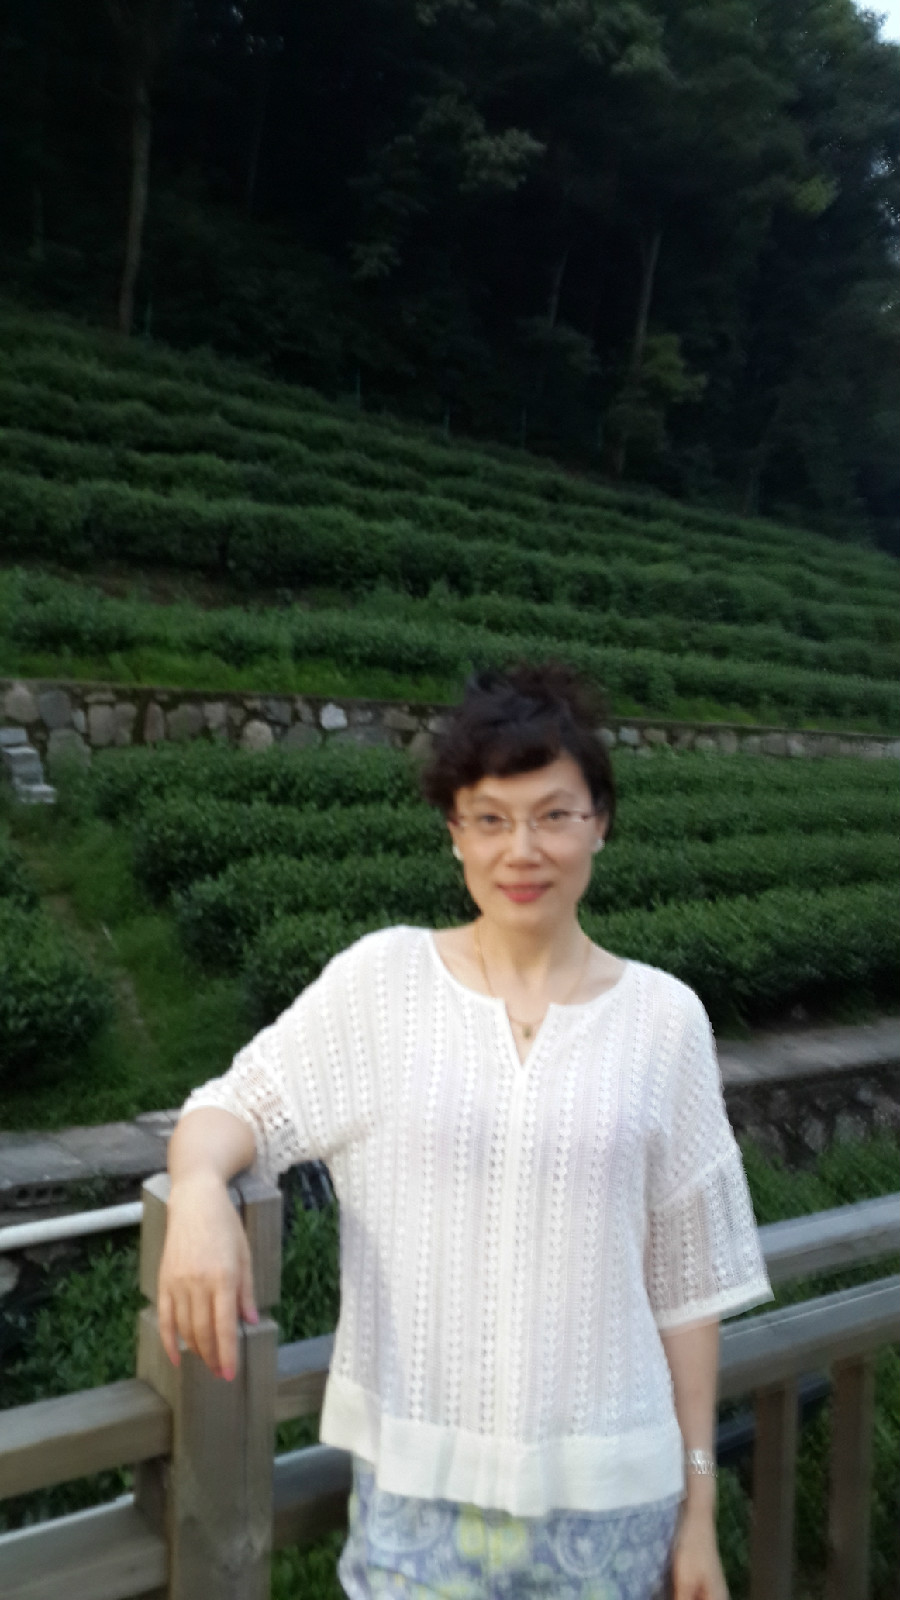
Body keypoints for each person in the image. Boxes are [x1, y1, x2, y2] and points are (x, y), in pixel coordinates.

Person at [158, 661, 774, 1600]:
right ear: (454, 832)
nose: (521, 850)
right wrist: (201, 1193)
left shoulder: (665, 1021)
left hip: (616, 1514)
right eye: (489, 818)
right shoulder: (384, 985)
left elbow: (685, 1294)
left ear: (601, 822)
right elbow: (232, 1106)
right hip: (417, 1514)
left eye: (554, 814)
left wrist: (699, 1510)